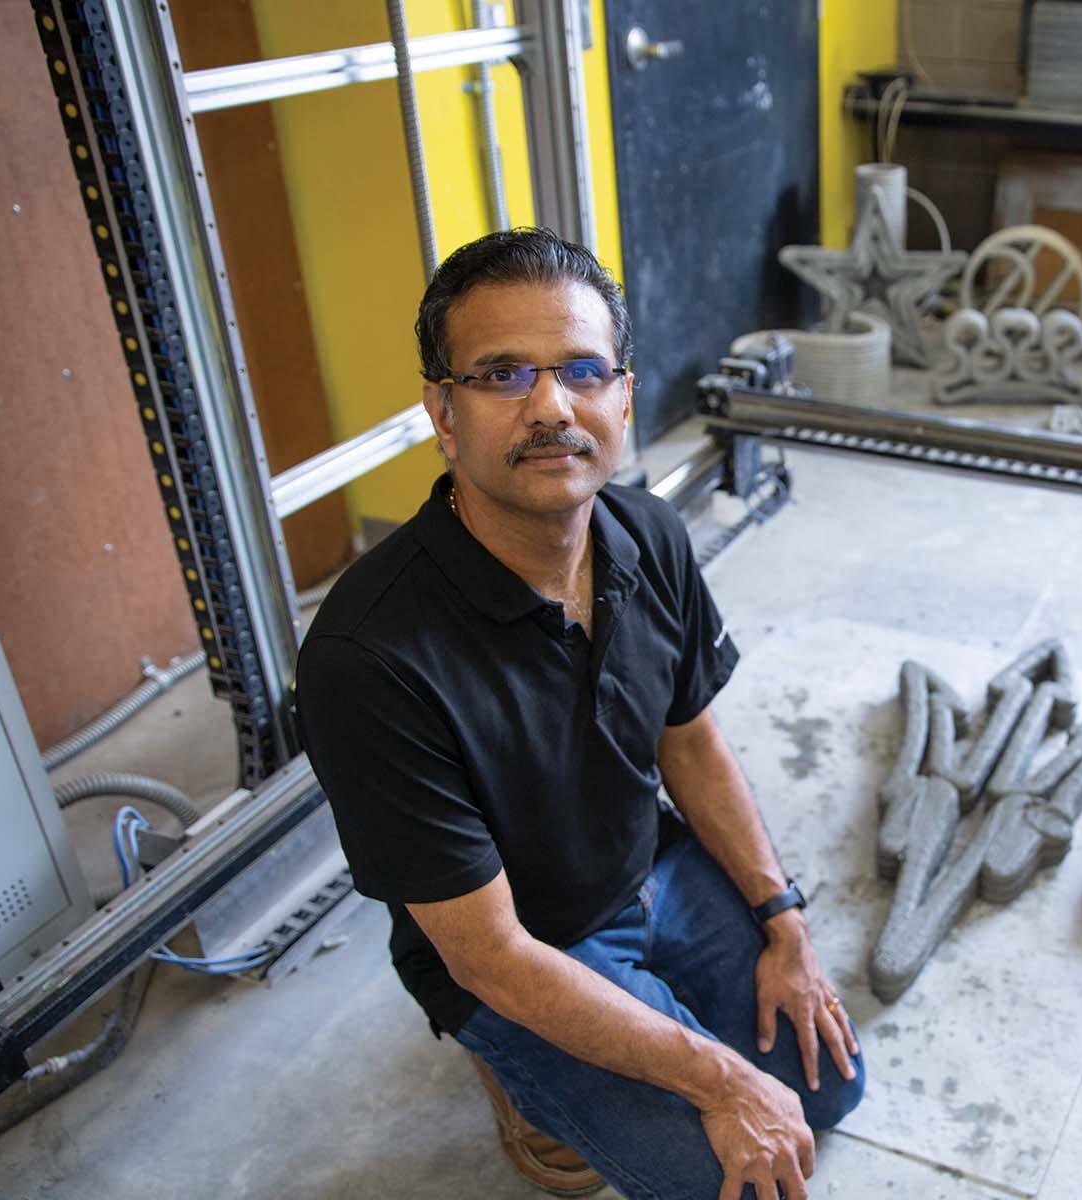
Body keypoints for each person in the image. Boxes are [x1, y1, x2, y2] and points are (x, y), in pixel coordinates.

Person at [294, 227, 864, 1200]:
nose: (551, 406)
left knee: (826, 1094)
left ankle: (649, 1019)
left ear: (624, 397)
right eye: (502, 375)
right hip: (527, 944)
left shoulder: (645, 530)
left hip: (655, 868)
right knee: (725, 1179)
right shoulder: (367, 660)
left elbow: (688, 740)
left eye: (580, 370)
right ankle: (516, 1075)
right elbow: (493, 955)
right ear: (442, 410)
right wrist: (719, 1078)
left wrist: (783, 923)